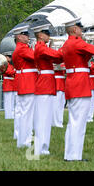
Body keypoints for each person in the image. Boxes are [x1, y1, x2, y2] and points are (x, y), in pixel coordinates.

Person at [60, 18, 94, 161]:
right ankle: (74, 156)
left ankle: (70, 154)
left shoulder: (68, 43)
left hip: (72, 83)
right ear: (74, 29)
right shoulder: (77, 42)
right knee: (78, 122)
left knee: (73, 121)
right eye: (80, 28)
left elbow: (84, 55)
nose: (82, 30)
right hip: (80, 84)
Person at [32, 24, 63, 156]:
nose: (48, 35)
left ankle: (44, 147)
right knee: (43, 119)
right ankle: (41, 147)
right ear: (40, 35)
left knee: (46, 118)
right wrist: (66, 47)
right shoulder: (40, 47)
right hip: (44, 85)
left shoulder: (43, 47)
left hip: (47, 84)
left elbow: (57, 57)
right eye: (46, 33)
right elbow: (57, 56)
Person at [12, 25, 38, 148]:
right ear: (19, 37)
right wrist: (39, 47)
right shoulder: (22, 49)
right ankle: (25, 140)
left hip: (25, 82)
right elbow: (36, 57)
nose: (28, 37)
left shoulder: (22, 48)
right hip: (27, 83)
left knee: (24, 113)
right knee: (27, 114)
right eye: (25, 34)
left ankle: (22, 140)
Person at [2, 52, 16, 120]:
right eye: (9, 57)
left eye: (10, 57)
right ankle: (8, 116)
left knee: (12, 101)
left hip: (12, 84)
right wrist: (15, 71)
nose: (10, 58)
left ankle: (12, 115)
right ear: (5, 57)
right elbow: (8, 72)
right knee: (8, 101)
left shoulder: (10, 65)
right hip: (7, 84)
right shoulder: (4, 65)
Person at [53, 63, 66, 127]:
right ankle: (55, 122)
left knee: (61, 103)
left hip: (61, 81)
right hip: (56, 80)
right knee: (57, 104)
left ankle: (59, 120)